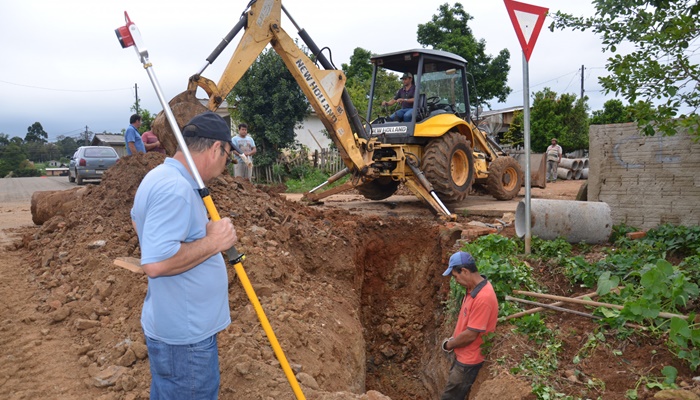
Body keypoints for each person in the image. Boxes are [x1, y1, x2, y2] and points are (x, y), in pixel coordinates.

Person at [130, 111, 238, 400]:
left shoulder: (159, 177)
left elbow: (137, 219)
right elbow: (155, 264)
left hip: (177, 331)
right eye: (228, 155)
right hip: (186, 343)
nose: (226, 164)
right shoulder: (175, 188)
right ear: (217, 148)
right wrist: (213, 242)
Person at [440, 251, 498, 400]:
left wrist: (449, 344)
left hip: (468, 361)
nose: (456, 280)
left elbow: (471, 335)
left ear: (464, 271)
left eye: (455, 276)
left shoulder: (483, 297)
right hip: (463, 354)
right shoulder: (473, 289)